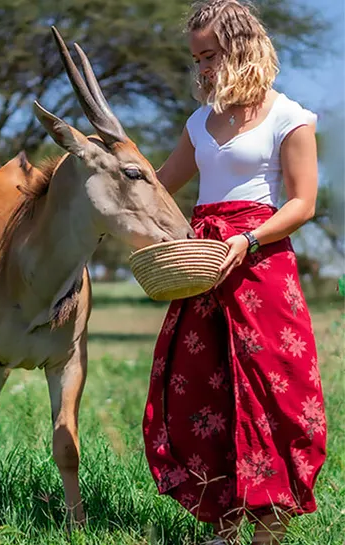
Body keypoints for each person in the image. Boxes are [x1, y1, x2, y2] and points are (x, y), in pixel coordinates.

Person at [142, 1, 327, 543]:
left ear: (242, 48)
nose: (202, 68)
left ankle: (269, 527)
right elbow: (161, 184)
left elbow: (303, 203)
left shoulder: (290, 117)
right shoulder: (199, 122)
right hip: (203, 263)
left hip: (261, 263)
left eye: (210, 55)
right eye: (196, 58)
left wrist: (247, 239)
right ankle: (223, 523)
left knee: (276, 388)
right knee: (203, 387)